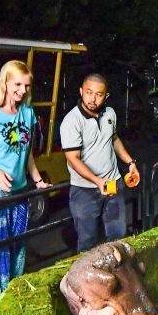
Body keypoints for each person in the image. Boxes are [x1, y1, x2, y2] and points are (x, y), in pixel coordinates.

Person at [0, 60, 51, 299]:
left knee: (16, 246)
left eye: (26, 85)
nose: (23, 91)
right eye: (17, 84)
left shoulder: (28, 112)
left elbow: (27, 153)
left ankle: (12, 299)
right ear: (4, 82)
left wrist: (36, 180)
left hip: (19, 192)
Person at [60, 72, 138, 252]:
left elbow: (114, 139)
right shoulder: (72, 121)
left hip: (113, 183)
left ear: (106, 96)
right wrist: (97, 181)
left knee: (117, 237)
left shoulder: (110, 113)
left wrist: (130, 162)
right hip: (85, 190)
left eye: (98, 94)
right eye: (89, 92)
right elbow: (73, 159)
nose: (92, 99)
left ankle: (118, 276)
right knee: (87, 242)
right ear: (81, 91)